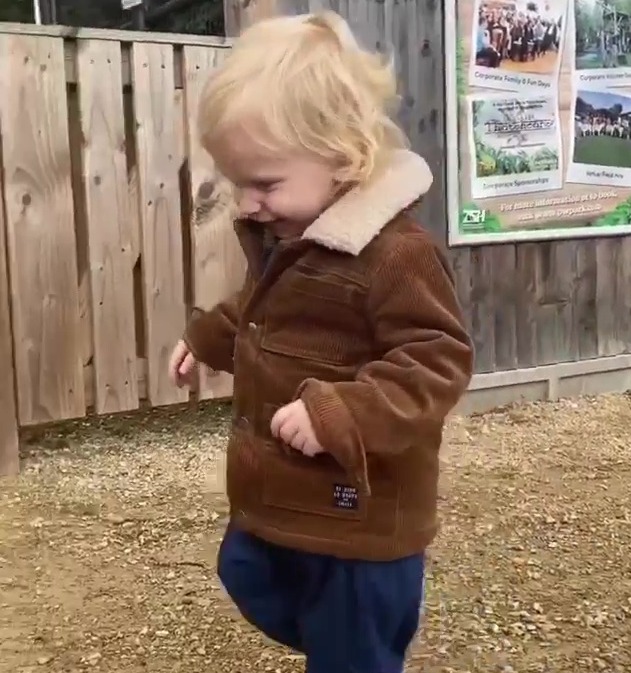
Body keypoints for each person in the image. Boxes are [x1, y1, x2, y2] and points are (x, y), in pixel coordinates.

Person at [168, 11, 473, 673]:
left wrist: (342, 412)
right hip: (289, 502)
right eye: (236, 181)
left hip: (362, 526)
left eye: (264, 183)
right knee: (243, 565)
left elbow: (436, 360)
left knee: (351, 649)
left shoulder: (396, 256)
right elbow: (261, 311)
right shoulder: (290, 242)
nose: (245, 204)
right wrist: (207, 338)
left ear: (343, 156)